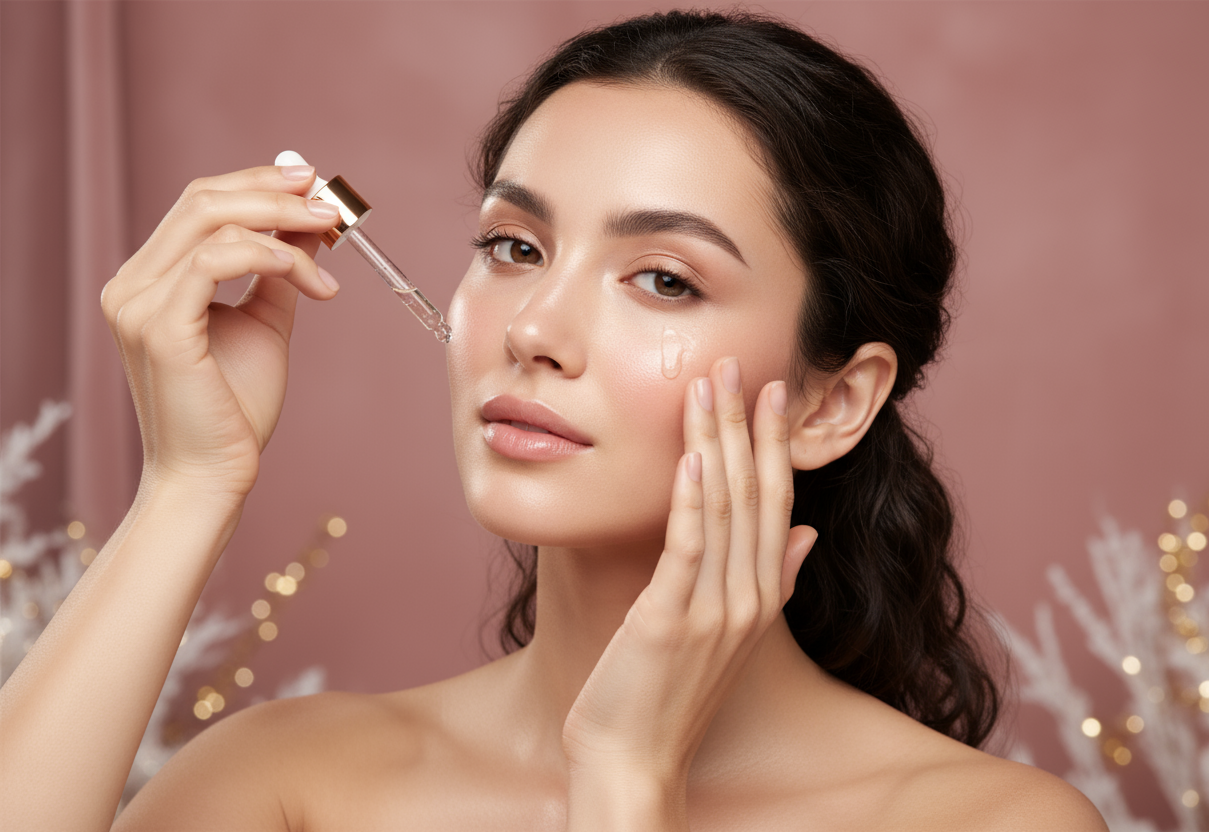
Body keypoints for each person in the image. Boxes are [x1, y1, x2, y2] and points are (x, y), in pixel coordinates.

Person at [1, 10, 1107, 830]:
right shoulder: (287, 785)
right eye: (513, 248)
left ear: (834, 400)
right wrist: (188, 485)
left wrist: (626, 781)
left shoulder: (985, 823)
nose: (534, 327)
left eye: (664, 279)